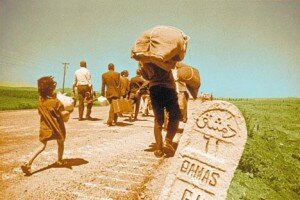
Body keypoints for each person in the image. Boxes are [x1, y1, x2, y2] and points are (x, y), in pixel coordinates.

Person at [21, 76, 70, 175]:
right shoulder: (56, 102)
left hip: (45, 127)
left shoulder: (40, 102)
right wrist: (69, 111)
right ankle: (59, 160)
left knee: (42, 145)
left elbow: (41, 112)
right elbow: (63, 114)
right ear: (51, 88)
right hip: (57, 127)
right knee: (60, 142)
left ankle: (28, 163)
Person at [139, 62, 181, 157]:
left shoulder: (144, 60)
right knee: (175, 117)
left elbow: (146, 77)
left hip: (154, 88)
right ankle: (168, 141)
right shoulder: (165, 55)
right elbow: (174, 65)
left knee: (158, 119)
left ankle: (158, 148)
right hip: (168, 88)